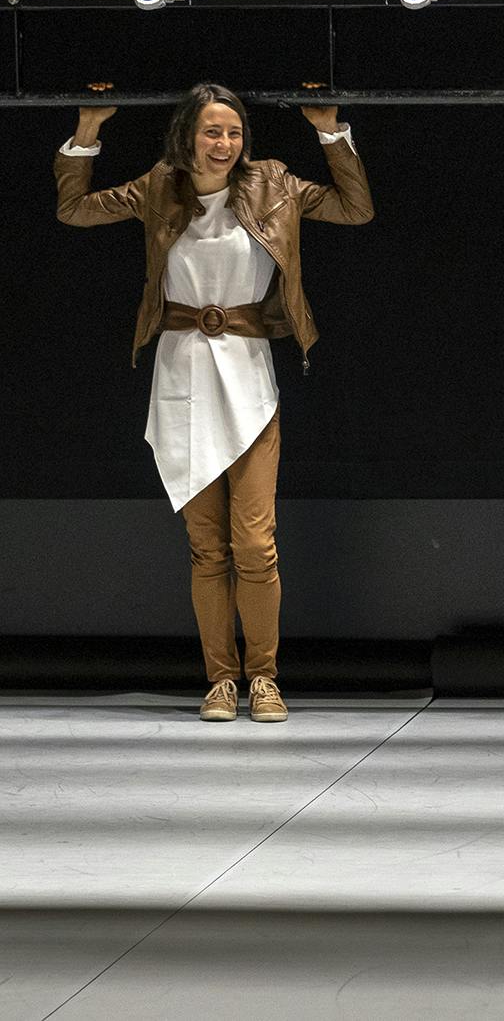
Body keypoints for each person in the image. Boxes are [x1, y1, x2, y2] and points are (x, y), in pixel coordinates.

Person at [54, 84, 374, 723]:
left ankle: (264, 678)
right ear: (187, 136)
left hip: (248, 376)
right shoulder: (158, 187)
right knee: (207, 548)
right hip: (179, 373)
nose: (224, 144)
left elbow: (354, 209)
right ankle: (220, 680)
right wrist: (87, 130)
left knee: (255, 544)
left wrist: (331, 134)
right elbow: (75, 210)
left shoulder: (273, 183)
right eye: (211, 132)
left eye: (233, 133)